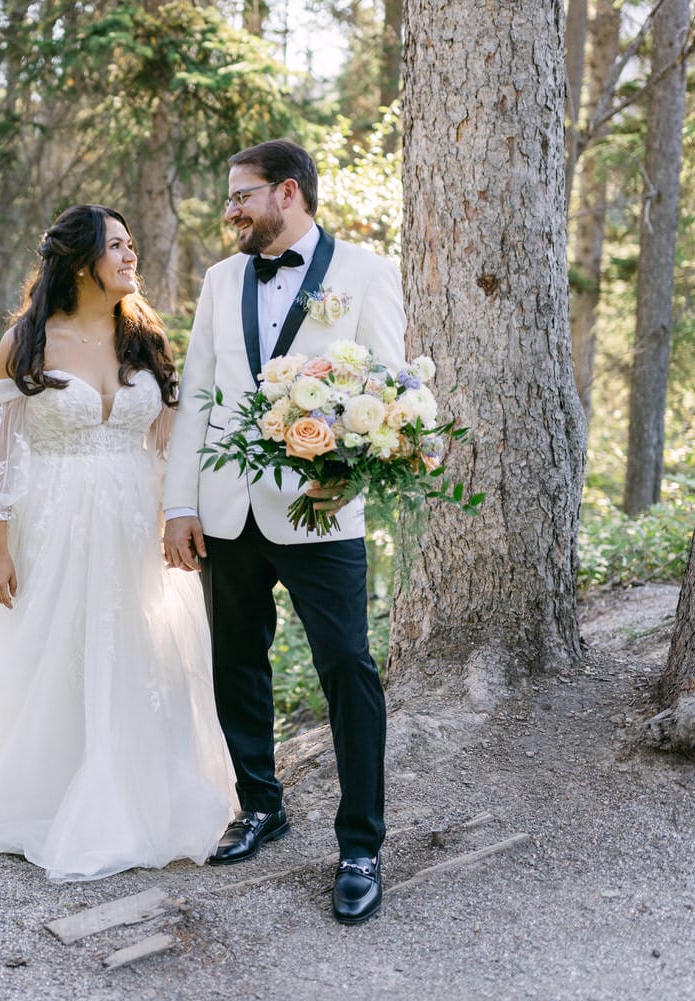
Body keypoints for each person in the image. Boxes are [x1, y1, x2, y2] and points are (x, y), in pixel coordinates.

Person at [0, 204, 235, 882]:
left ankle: (138, 788)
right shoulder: (28, 342)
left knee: (134, 649)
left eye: (130, 244)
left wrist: (180, 511)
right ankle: (46, 787)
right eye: (115, 246)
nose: (129, 256)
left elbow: (172, 440)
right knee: (55, 646)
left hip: (132, 523)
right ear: (81, 260)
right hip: (52, 520)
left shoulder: (146, 339)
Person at [162, 139, 405, 924]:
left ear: (287, 193)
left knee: (348, 668)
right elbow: (198, 392)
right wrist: (179, 504)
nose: (230, 209)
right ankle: (261, 805)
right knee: (236, 660)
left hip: (322, 511)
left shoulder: (367, 272)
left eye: (242, 195)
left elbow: (391, 394)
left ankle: (361, 844)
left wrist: (350, 472)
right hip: (228, 511)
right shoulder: (220, 279)